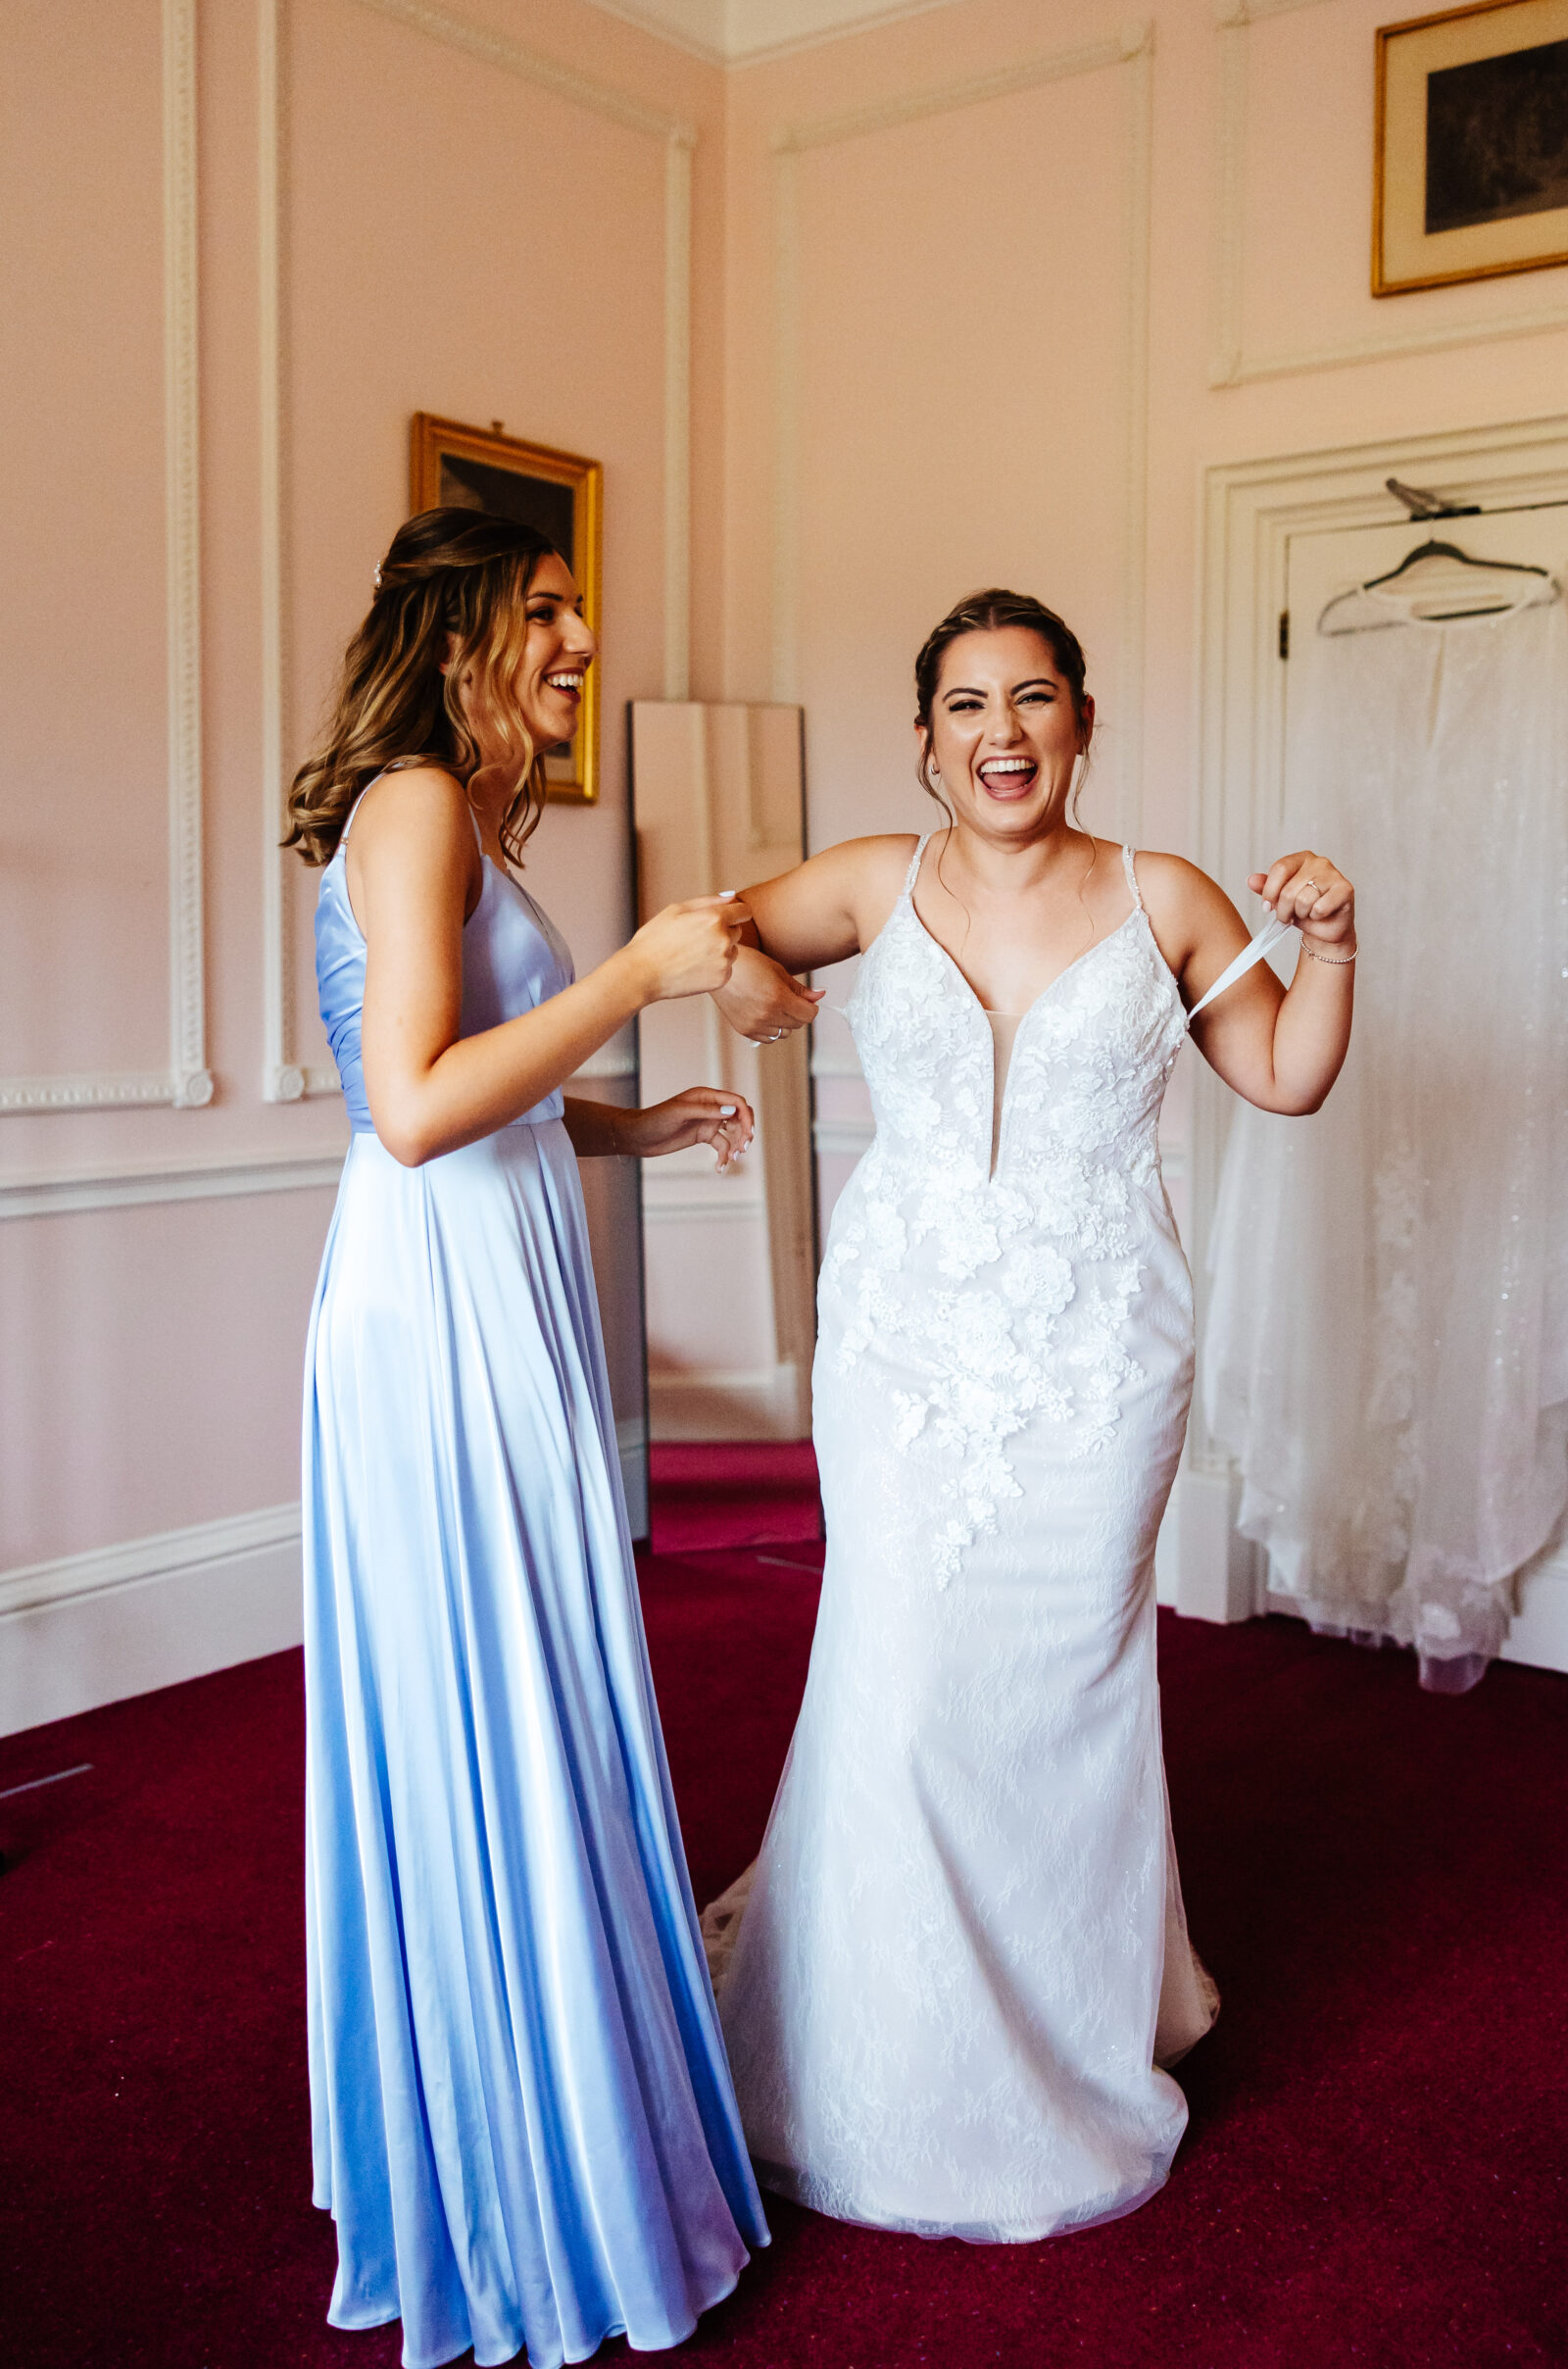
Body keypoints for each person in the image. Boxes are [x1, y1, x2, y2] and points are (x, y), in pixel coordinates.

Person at [703, 587, 1356, 2242]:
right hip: (904, 1346)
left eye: (1038, 697)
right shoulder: (870, 879)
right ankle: (873, 2048)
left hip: (1098, 1363)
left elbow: (1283, 1075)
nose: (1005, 732)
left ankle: (1067, 2033)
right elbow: (727, 935)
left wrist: (1334, 947)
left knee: (1064, 1693)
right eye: (969, 704)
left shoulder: (1166, 898)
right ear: (924, 740)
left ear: (1083, 721)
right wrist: (750, 996)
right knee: (903, 1678)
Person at [286, 508, 769, 2366]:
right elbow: (408, 1112)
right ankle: (515, 2167)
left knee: (540, 1688)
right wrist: (638, 982)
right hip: (431, 1307)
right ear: (467, 622)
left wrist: (632, 1132)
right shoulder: (413, 801)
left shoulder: (470, 823)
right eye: (553, 609)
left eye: (580, 609)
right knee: (488, 1697)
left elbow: (481, 1084)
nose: (581, 639)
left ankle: (561, 2103)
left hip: (499, 1271)